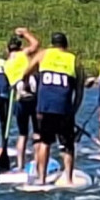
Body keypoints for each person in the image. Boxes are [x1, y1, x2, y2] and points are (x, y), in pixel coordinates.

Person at [23, 33, 84, 185]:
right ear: (66, 45)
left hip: (44, 107)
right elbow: (79, 90)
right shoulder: (74, 60)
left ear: (52, 44)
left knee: (44, 142)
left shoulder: (42, 54)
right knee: (67, 145)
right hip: (64, 108)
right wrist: (74, 110)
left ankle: (42, 180)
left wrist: (26, 87)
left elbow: (26, 72)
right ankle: (69, 179)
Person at [4, 28, 42, 171]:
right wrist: (25, 33)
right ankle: (38, 162)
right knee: (37, 132)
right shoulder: (23, 54)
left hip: (18, 98)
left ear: (8, 50)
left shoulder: (6, 64)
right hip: (32, 95)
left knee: (22, 133)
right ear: (20, 47)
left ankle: (20, 166)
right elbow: (36, 44)